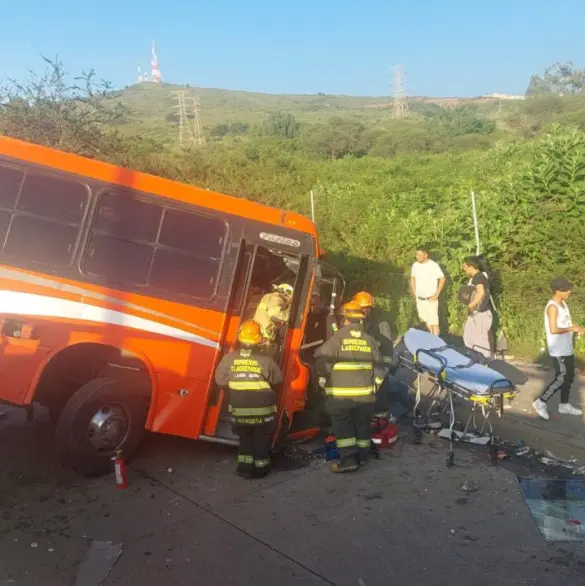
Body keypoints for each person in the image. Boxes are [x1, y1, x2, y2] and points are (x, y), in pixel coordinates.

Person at [314, 301, 387, 473]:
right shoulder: (370, 341)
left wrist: (321, 379)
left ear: (346, 319)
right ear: (360, 320)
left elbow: (323, 364)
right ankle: (362, 457)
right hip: (365, 397)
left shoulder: (337, 339)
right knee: (362, 425)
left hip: (341, 398)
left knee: (343, 428)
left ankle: (347, 461)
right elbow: (380, 370)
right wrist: (374, 387)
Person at [214, 320, 283, 479]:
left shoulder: (229, 359)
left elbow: (220, 381)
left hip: (240, 411)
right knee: (261, 440)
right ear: (259, 340)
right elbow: (278, 379)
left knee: (245, 438)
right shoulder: (266, 360)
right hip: (263, 413)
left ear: (240, 338)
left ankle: (244, 468)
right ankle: (261, 469)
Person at [533, 277, 585, 421]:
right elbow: (554, 329)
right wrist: (571, 328)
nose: (569, 291)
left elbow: (566, 323)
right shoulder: (552, 307)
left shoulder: (563, 304)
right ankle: (540, 402)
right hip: (558, 350)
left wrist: (577, 328)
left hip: (567, 348)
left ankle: (564, 404)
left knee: (569, 377)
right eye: (566, 289)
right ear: (557, 291)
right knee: (561, 378)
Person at [352, 290, 394, 418]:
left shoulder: (381, 325)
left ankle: (382, 420)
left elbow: (387, 350)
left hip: (377, 367)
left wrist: (384, 369)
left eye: (367, 308)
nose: (365, 312)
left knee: (379, 398)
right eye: (362, 309)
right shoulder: (353, 322)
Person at [462, 256, 493, 359]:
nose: (464, 269)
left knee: (480, 341)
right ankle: (472, 358)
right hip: (475, 313)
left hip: (481, 313)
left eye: (465, 267)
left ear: (471, 267)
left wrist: (471, 304)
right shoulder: (478, 277)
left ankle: (485, 361)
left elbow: (481, 293)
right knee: (468, 336)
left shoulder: (478, 277)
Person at [410, 246, 446, 335]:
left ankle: (436, 343)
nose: (417, 256)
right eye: (416, 255)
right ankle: (430, 342)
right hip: (420, 299)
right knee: (426, 323)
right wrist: (414, 292)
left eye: (419, 255)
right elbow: (413, 278)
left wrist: (436, 295)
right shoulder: (415, 265)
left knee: (434, 323)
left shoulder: (433, 265)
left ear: (425, 255)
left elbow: (442, 278)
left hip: (431, 299)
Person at [253, 283, 293, 355]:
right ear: (286, 294)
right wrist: (290, 306)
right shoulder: (277, 299)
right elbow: (278, 316)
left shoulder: (268, 296)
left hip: (257, 332)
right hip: (265, 337)